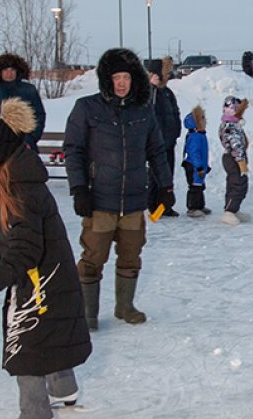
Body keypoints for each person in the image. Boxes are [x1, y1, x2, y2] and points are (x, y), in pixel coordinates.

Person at [0, 97, 92, 419]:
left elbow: (25, 247)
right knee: (50, 333)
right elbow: (10, 233)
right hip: (50, 274)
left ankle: (35, 416)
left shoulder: (19, 190)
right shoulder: (15, 181)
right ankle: (64, 388)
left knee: (26, 343)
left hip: (38, 280)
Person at [63, 48, 174, 329]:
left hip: (134, 201)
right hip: (100, 200)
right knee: (93, 258)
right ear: (106, 79)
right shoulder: (87, 108)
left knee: (130, 256)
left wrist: (166, 186)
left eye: (126, 76)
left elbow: (157, 151)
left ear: (134, 79)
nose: (121, 83)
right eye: (116, 77)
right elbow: (73, 150)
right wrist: (79, 188)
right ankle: (87, 313)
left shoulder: (143, 111)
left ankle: (125, 307)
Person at [0, 52, 46, 149]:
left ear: (18, 71)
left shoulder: (28, 89)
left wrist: (30, 139)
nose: (9, 73)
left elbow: (38, 115)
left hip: (24, 144)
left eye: (12, 70)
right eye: (5, 70)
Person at [148, 58, 182, 217]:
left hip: (169, 141)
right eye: (165, 73)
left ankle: (165, 206)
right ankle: (153, 206)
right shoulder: (150, 92)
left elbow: (175, 112)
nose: (167, 76)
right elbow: (145, 109)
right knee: (156, 175)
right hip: (155, 143)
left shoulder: (167, 93)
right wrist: (151, 87)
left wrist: (177, 130)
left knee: (168, 175)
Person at [219, 96, 251, 225]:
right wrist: (241, 162)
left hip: (234, 157)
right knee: (237, 184)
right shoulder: (230, 126)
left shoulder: (233, 124)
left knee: (237, 183)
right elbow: (235, 144)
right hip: (233, 159)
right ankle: (229, 211)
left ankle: (234, 209)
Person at [181, 105, 211, 217]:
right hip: (193, 167)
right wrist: (198, 166)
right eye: (202, 118)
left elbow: (203, 154)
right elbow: (194, 153)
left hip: (199, 167)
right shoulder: (195, 137)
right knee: (194, 187)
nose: (205, 121)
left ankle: (200, 206)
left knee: (200, 186)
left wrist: (205, 166)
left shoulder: (200, 136)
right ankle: (192, 208)